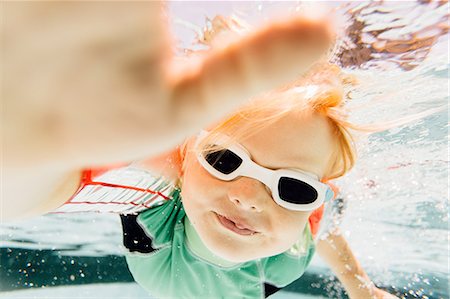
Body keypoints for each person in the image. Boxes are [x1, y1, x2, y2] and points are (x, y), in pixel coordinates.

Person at [2, 2, 398, 298]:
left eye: (294, 188)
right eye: (223, 160)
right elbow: (52, 185)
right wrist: (25, 160)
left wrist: (360, 287)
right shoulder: (160, 200)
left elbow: (324, 226)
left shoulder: (297, 239)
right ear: (185, 156)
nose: (246, 197)